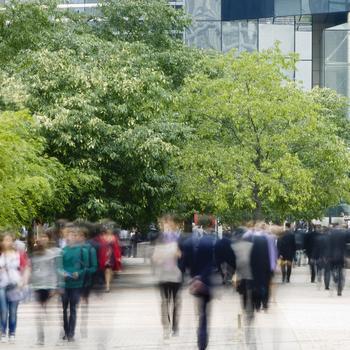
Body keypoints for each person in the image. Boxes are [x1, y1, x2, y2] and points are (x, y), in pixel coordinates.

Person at [180, 215, 235, 350]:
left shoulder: (189, 242)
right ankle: (203, 340)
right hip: (209, 282)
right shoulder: (215, 241)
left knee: (201, 312)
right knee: (205, 313)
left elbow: (183, 264)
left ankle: (201, 338)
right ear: (212, 225)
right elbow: (226, 259)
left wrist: (191, 275)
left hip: (196, 282)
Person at [152, 215, 182, 339]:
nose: (167, 226)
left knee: (175, 302)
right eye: (165, 224)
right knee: (165, 302)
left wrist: (178, 254)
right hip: (163, 275)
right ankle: (166, 326)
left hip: (175, 275)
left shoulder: (178, 239)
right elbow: (154, 257)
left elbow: (182, 256)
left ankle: (175, 327)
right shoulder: (159, 239)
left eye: (169, 224)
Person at [30, 228, 62, 345]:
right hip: (38, 286)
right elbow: (32, 270)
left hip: (49, 286)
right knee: (38, 313)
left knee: (49, 312)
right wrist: (31, 284)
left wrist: (54, 287)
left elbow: (54, 271)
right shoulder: (34, 254)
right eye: (41, 237)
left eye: (45, 237)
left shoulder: (52, 254)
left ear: (48, 240)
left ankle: (58, 334)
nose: (42, 239)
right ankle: (40, 337)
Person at [0, 232, 30, 343]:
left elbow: (26, 268)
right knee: (3, 311)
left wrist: (23, 281)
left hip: (15, 285)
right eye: (5, 240)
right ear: (2, 242)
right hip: (2, 285)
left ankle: (12, 333)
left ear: (12, 242)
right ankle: (3, 332)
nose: (7, 242)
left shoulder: (18, 254)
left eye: (9, 240)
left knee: (13, 311)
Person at [61, 224, 89, 342]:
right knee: (64, 309)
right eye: (69, 235)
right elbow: (58, 267)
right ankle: (66, 331)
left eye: (73, 235)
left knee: (73, 309)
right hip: (65, 284)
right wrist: (62, 273)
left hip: (76, 285)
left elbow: (86, 267)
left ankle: (71, 333)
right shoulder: (63, 251)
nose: (71, 237)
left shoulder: (82, 251)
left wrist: (79, 273)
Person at [76, 224, 97, 339]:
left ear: (84, 236)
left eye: (79, 235)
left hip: (85, 281)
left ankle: (83, 325)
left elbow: (94, 267)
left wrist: (84, 271)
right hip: (73, 282)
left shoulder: (90, 249)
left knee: (84, 304)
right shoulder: (71, 249)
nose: (77, 237)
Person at [95, 224, 121, 293]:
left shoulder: (114, 237)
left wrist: (118, 257)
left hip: (111, 256)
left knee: (108, 270)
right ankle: (107, 283)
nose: (109, 231)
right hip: (103, 256)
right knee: (105, 271)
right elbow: (97, 247)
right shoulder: (101, 237)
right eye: (108, 229)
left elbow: (117, 248)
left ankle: (107, 286)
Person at [328, 227, 348, 296]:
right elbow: (345, 247)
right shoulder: (343, 236)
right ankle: (339, 289)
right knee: (341, 273)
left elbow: (329, 246)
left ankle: (335, 278)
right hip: (341, 256)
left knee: (333, 270)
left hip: (332, 256)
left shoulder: (330, 236)